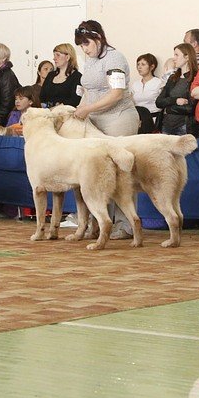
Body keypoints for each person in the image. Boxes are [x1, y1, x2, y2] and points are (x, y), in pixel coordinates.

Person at [74, 20, 139, 239]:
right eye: (81, 45)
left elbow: (116, 93)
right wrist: (80, 109)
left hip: (118, 118)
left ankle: (125, 224)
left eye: (87, 43)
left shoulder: (114, 58)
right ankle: (103, 222)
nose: (85, 49)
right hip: (96, 121)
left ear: (99, 38)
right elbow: (87, 89)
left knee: (121, 172)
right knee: (100, 173)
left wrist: (88, 109)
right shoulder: (90, 59)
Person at [155, 43, 197, 135]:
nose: (174, 58)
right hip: (166, 126)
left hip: (184, 127)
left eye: (177, 55)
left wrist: (168, 109)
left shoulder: (195, 77)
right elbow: (159, 102)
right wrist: (175, 100)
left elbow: (191, 108)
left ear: (187, 57)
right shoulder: (173, 78)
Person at [130, 53, 166, 130]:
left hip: (154, 120)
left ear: (152, 67)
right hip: (138, 120)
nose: (139, 67)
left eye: (143, 64)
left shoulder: (159, 83)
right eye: (138, 64)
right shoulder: (135, 84)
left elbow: (163, 103)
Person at [40, 43, 82, 108]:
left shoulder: (77, 77)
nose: (54, 58)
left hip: (66, 114)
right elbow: (42, 97)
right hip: (48, 113)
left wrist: (57, 107)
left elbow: (75, 100)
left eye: (58, 55)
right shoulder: (50, 75)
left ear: (67, 57)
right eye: (54, 55)